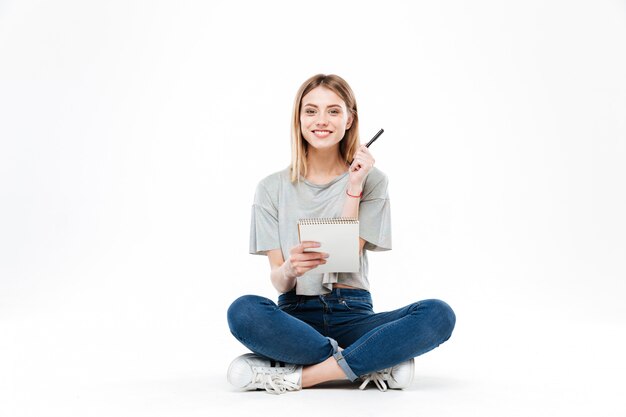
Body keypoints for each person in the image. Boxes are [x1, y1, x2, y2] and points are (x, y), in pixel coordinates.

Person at [226, 74, 456, 394]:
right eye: (311, 111)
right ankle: (370, 361)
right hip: (296, 317)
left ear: (349, 120)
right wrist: (291, 268)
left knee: (438, 314)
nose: (322, 120)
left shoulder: (372, 181)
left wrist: (354, 187)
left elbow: (344, 254)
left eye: (334, 111)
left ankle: (300, 376)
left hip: (354, 314)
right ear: (299, 119)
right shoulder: (270, 188)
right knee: (243, 310)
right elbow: (278, 281)